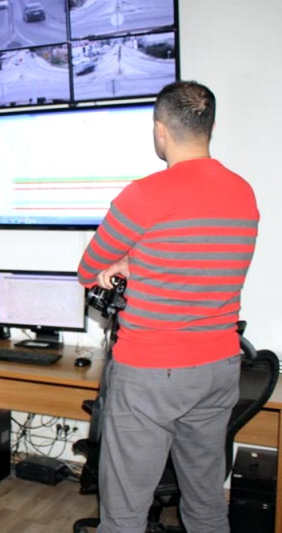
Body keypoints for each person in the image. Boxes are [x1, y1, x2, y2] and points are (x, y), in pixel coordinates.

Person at [77, 81, 259, 533]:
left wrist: (125, 261)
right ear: (209, 126)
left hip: (151, 371)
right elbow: (198, 260)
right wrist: (138, 260)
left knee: (124, 514)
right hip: (219, 366)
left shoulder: (145, 194)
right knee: (206, 504)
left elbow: (90, 268)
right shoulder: (243, 192)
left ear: (160, 129)